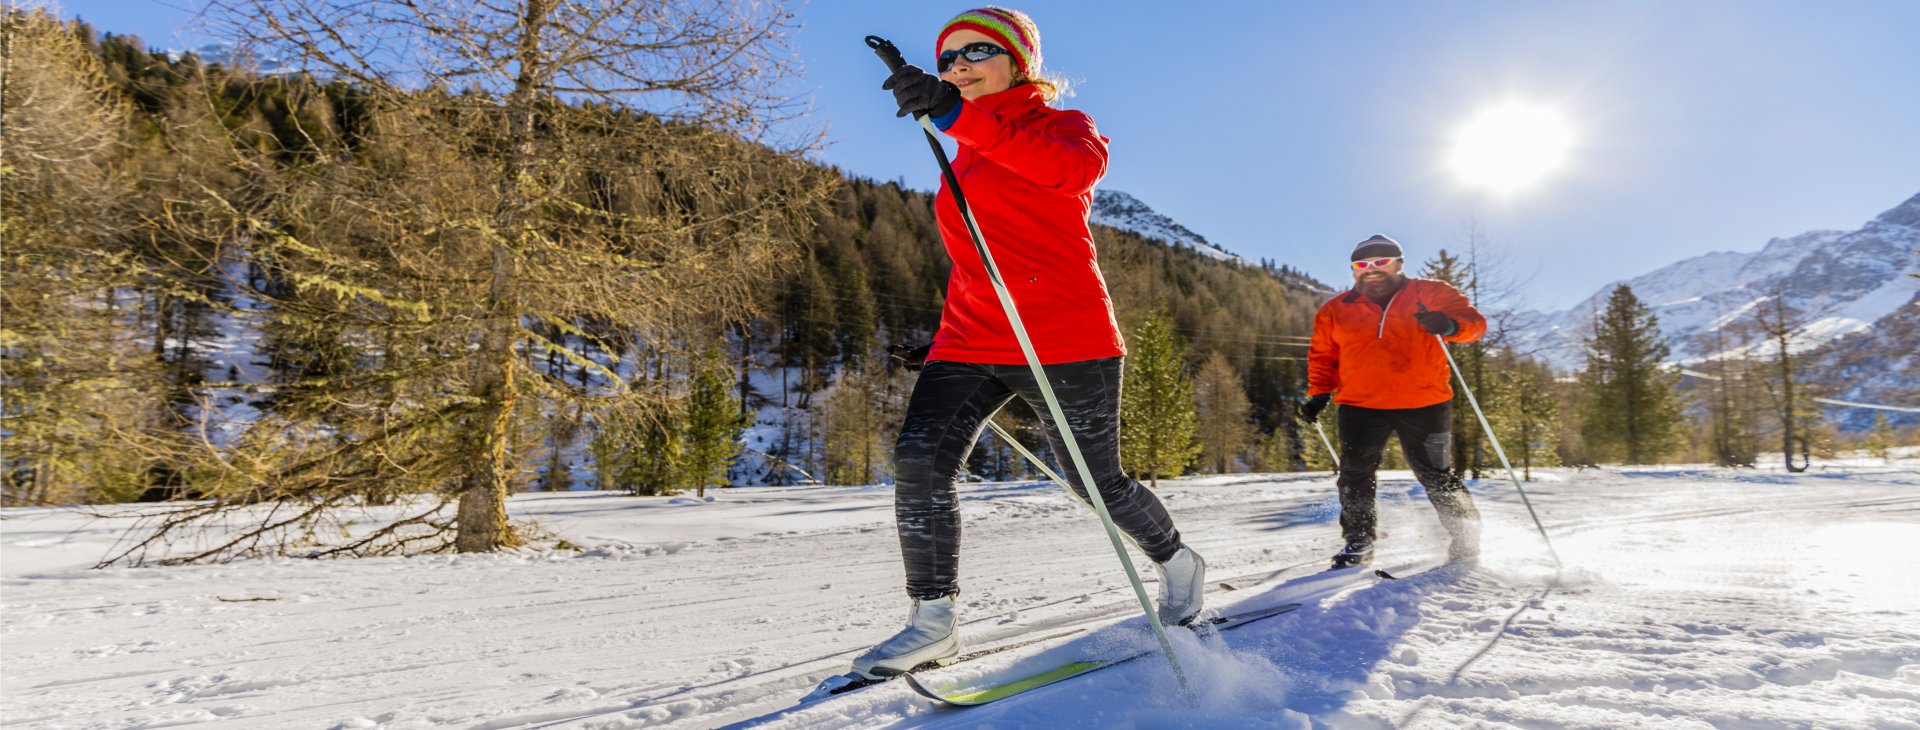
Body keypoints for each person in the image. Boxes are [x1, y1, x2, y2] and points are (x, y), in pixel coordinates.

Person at [849, 7, 1205, 680]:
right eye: (948, 59)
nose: (958, 66)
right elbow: (982, 258)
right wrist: (939, 339)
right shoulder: (966, 144)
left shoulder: (1065, 130)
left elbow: (1065, 175)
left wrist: (956, 115)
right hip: (971, 337)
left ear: (1019, 60)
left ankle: (1177, 560)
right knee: (920, 464)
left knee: (1095, 483)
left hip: (1066, 338)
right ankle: (932, 623)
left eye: (976, 51)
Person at [1302, 234, 1487, 569]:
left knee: (1435, 473)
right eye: (1362, 265)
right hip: (1360, 406)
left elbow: (1475, 325)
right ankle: (1358, 540)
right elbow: (1322, 356)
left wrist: (1450, 324)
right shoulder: (1335, 310)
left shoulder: (1431, 293)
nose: (1371, 270)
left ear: (1399, 265)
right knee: (1354, 473)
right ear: (1353, 270)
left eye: (1381, 262)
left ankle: (1466, 537)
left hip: (1425, 403)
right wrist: (1319, 393)